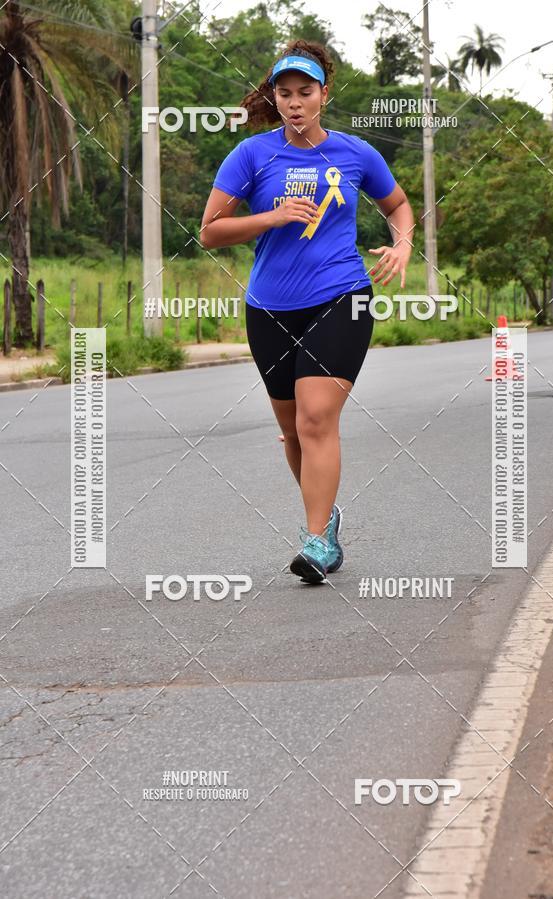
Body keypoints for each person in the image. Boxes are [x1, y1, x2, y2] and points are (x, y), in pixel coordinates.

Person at [200, 39, 414, 584]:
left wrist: (402, 245)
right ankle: (328, 519)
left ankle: (317, 541)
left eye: (305, 92)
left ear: (324, 94)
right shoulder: (250, 155)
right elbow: (210, 232)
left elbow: (400, 206)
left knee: (316, 418)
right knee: (294, 432)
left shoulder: (355, 153)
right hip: (269, 307)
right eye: (284, 93)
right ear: (274, 98)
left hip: (342, 295)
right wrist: (269, 218)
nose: (294, 102)